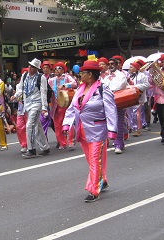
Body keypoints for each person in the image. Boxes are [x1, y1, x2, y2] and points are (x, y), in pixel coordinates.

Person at [62, 60, 118, 202]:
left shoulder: (102, 89)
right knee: (92, 160)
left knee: (94, 159)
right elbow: (72, 108)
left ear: (91, 75)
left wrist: (112, 130)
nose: (80, 75)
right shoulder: (80, 90)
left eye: (83, 73)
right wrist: (66, 125)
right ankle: (102, 179)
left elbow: (111, 110)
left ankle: (93, 189)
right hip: (82, 130)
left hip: (97, 130)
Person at [11, 58, 50, 158]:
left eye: (32, 67)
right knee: (37, 125)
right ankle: (45, 147)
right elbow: (20, 88)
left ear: (37, 68)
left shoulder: (41, 78)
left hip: (37, 104)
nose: (30, 68)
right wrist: (15, 96)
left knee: (30, 125)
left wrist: (44, 107)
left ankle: (31, 149)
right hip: (27, 104)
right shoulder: (24, 76)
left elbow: (43, 93)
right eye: (29, 66)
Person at [48, 62, 77, 150]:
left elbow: (75, 84)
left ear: (63, 70)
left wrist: (65, 85)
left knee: (69, 122)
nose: (57, 70)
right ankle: (62, 142)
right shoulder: (51, 80)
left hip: (66, 103)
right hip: (55, 105)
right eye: (55, 68)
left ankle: (71, 141)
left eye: (59, 68)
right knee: (57, 124)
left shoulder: (67, 77)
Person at [102, 58, 127, 154]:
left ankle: (118, 144)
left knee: (118, 123)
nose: (111, 66)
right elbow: (103, 87)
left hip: (119, 101)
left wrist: (110, 91)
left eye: (113, 64)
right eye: (109, 64)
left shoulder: (121, 75)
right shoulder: (106, 77)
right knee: (110, 123)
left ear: (117, 65)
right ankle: (119, 142)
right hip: (109, 102)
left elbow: (121, 86)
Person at [126, 61, 150, 137]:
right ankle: (131, 127)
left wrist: (135, 87)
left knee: (136, 113)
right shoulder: (128, 76)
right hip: (130, 97)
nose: (129, 68)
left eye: (131, 67)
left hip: (139, 97)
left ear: (136, 69)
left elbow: (147, 85)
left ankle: (137, 129)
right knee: (130, 113)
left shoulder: (142, 75)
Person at [151, 54, 164, 144]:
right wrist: (152, 76)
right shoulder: (158, 71)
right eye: (163, 62)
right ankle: (163, 133)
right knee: (161, 118)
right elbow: (151, 83)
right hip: (158, 98)